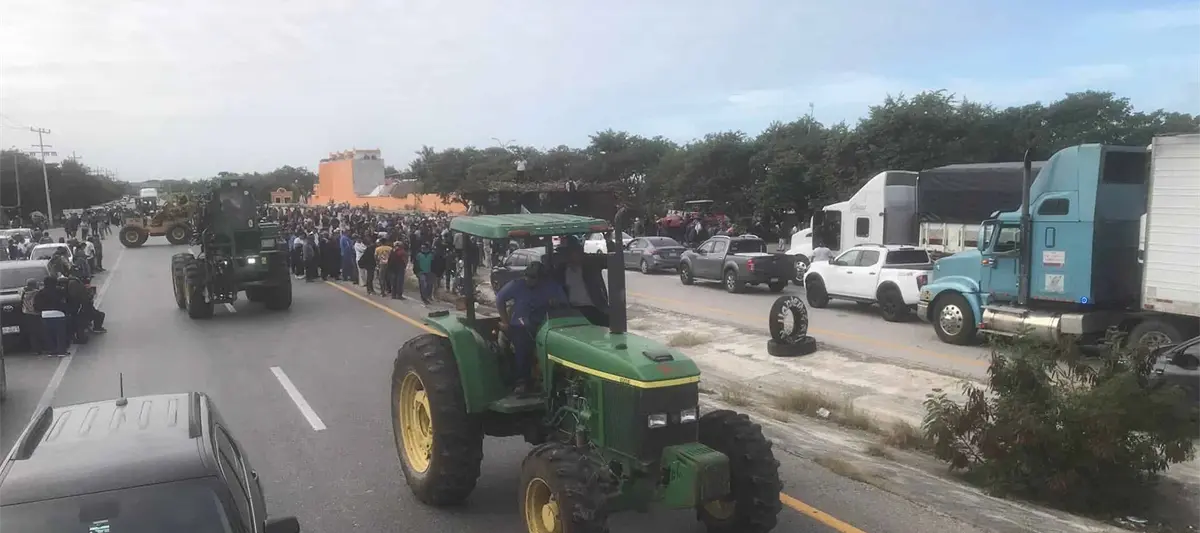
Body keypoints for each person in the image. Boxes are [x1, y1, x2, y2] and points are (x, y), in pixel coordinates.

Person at [496, 261, 567, 394]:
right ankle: (521, 381)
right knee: (522, 343)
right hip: (520, 325)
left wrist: (556, 303)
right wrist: (505, 321)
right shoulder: (517, 285)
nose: (528, 280)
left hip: (545, 325)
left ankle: (552, 381)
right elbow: (500, 299)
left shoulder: (552, 287)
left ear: (542, 278)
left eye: (533, 277)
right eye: (527, 276)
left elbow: (565, 304)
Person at [554, 240, 610, 327]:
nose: (568, 256)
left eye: (573, 252)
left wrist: (609, 241)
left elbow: (611, 259)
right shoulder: (562, 270)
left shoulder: (590, 265)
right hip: (573, 310)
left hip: (593, 307)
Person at [34, 276, 69, 357]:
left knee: (49, 334)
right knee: (60, 334)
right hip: (59, 314)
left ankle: (52, 351)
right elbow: (66, 300)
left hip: (45, 315)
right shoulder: (60, 291)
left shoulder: (40, 293)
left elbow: (36, 306)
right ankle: (61, 351)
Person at [20, 278, 45, 355]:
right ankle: (41, 348)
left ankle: (35, 349)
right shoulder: (37, 293)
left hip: (27, 314)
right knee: (39, 331)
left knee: (32, 333)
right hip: (36, 314)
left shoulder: (23, 292)